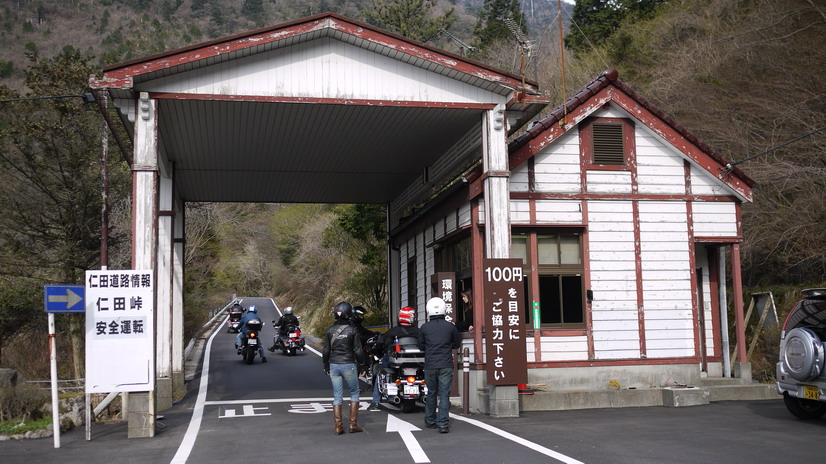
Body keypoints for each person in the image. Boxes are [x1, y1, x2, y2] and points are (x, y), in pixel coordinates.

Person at [322, 301, 367, 435]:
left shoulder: (330, 330)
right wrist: (362, 365)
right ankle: (353, 424)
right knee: (354, 393)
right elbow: (358, 350)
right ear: (349, 314)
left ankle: (338, 426)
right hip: (348, 364)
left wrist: (325, 365)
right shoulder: (353, 330)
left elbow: (326, 350)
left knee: (337, 396)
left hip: (334, 365)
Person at [368, 307, 424, 411]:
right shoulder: (418, 331)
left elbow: (382, 343)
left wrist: (380, 350)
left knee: (381, 373)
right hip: (416, 361)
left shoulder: (393, 331)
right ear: (412, 317)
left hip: (397, 360)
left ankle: (376, 401)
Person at [421, 297, 461, 433]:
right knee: (444, 394)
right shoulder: (450, 327)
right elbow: (457, 344)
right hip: (446, 364)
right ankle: (443, 424)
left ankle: (430, 420)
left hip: (430, 364)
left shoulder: (424, 327)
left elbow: (421, 346)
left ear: (428, 310)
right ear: (444, 309)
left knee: (431, 393)